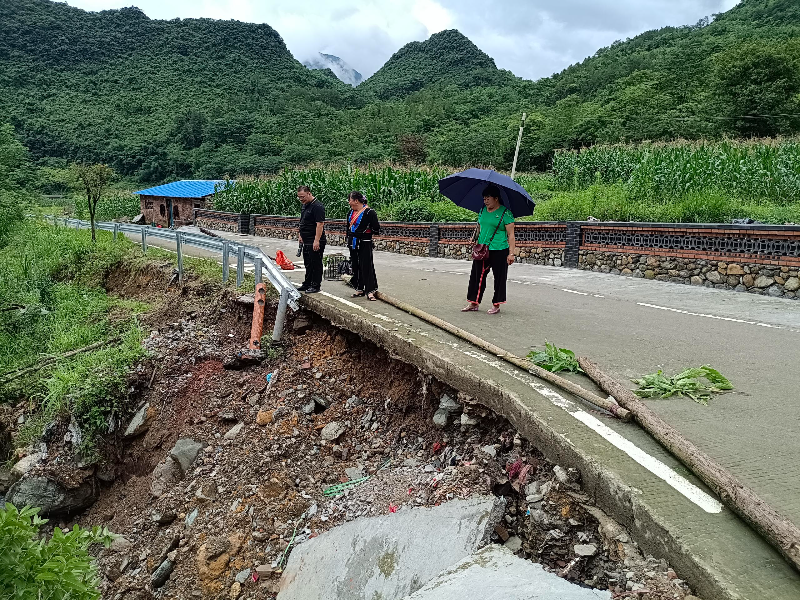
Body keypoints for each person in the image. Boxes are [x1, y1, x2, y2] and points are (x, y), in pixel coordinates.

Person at [462, 185, 516, 314]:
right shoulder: (482, 211)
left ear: (496, 198)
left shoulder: (505, 213)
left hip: (499, 249)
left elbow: (511, 235)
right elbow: (479, 227)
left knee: (499, 277)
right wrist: (474, 238)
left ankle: (496, 304)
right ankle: (474, 303)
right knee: (477, 276)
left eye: (488, 198)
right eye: (484, 198)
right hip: (482, 248)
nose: (485, 200)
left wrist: (511, 254)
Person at [346, 191, 380, 300]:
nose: (349, 202)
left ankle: (370, 290)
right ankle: (359, 288)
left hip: (365, 242)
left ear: (356, 201)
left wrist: (366, 231)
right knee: (356, 265)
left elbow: (376, 229)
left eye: (350, 200)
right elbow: (348, 228)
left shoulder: (369, 212)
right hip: (353, 242)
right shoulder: (350, 213)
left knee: (366, 266)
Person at [296, 185, 326, 293]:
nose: (301, 199)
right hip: (306, 239)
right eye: (299, 197)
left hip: (315, 240)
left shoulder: (317, 206)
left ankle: (315, 285)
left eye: (302, 196)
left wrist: (317, 240)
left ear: (309, 193)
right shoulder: (305, 205)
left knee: (316, 263)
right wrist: (301, 234)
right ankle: (307, 283)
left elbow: (320, 224)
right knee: (308, 263)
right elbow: (302, 221)